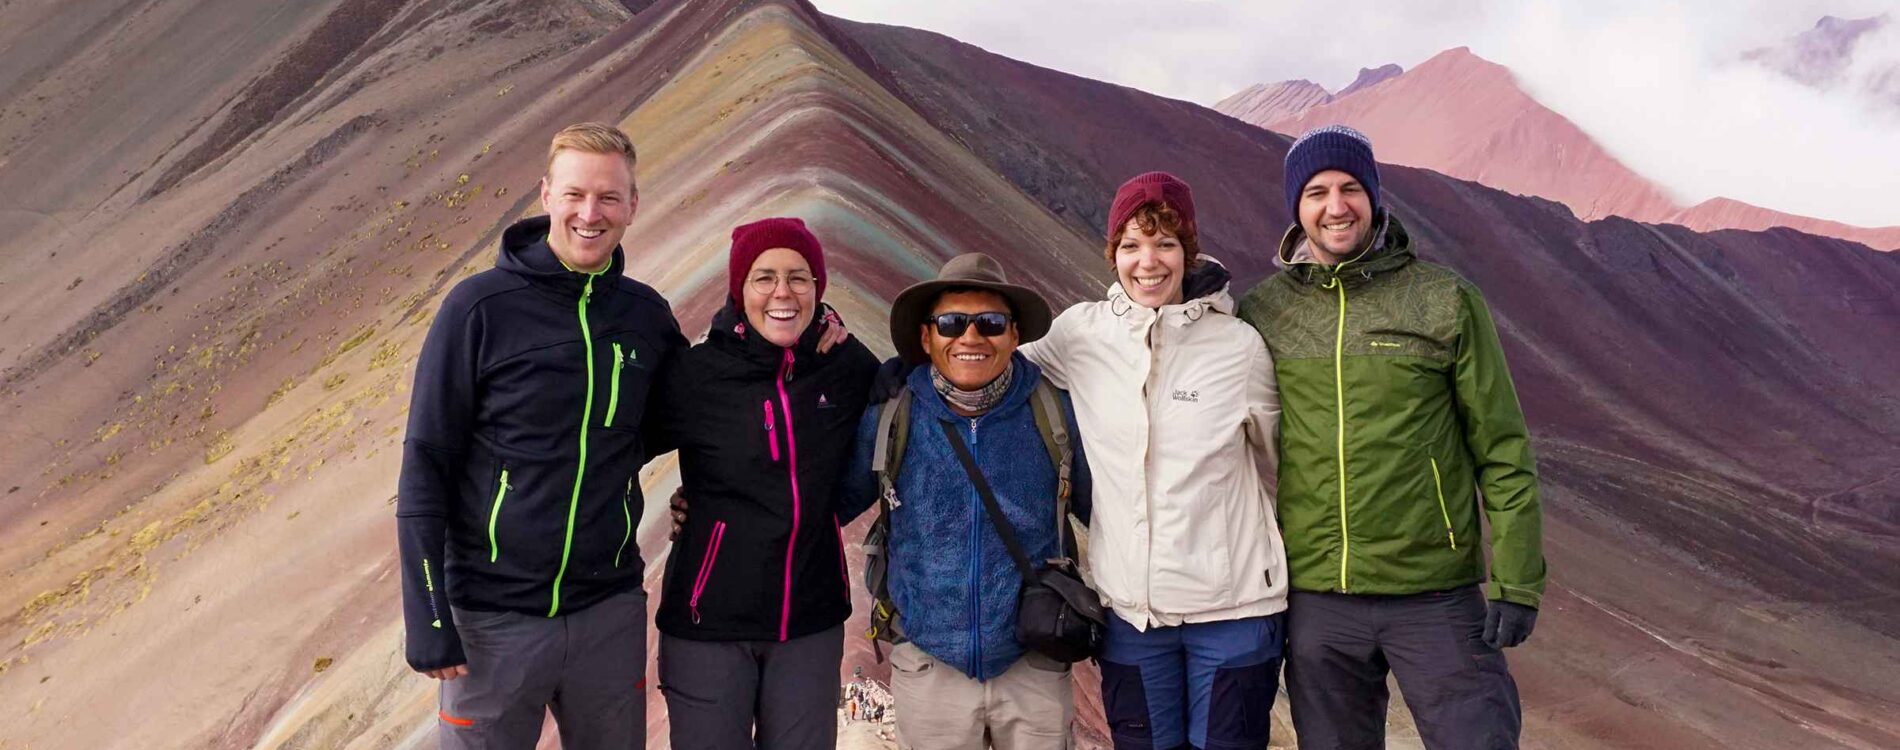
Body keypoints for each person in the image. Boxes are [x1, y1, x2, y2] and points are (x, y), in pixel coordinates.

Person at [1235, 124, 1545, 749]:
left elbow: (1503, 448)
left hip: (1434, 594)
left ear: (1374, 197)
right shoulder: (1263, 311)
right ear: (1296, 207)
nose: (1336, 206)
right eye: (1317, 191)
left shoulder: (1444, 300)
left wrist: (1518, 580)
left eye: (1351, 188)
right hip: (1318, 599)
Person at [396, 122, 686, 748]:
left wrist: (807, 334)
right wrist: (426, 611)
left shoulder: (644, 317)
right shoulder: (479, 308)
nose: (591, 213)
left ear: (633, 206)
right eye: (576, 194)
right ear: (546, 194)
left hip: (608, 613)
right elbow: (426, 461)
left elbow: (699, 406)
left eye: (610, 197)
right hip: (491, 621)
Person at [1016, 172, 1289, 750]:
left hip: (1234, 610)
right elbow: (998, 368)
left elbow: (1278, 466)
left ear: (1187, 252)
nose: (1148, 262)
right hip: (1131, 615)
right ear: (1113, 252)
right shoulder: (1081, 335)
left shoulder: (1237, 346)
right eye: (1132, 246)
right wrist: (907, 371)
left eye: (1165, 244)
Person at [837, 253, 1092, 750]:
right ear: (927, 337)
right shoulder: (893, 418)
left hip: (1033, 660)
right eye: (952, 323)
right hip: (931, 665)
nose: (971, 338)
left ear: (1015, 335)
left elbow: (1114, 511)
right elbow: (825, 504)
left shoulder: (1053, 413)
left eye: (990, 323)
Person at [644, 218, 878, 750]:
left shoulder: (845, 367)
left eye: (799, 277)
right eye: (763, 277)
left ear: (818, 289)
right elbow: (614, 450)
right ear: (739, 288)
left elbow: (904, 412)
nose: (782, 292)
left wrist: (826, 514)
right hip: (709, 623)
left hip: (810, 623)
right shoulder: (698, 374)